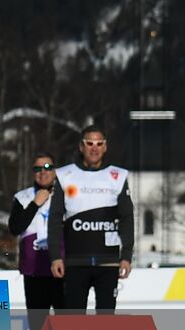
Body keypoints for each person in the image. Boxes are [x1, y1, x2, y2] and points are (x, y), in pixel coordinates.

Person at [49, 127, 133, 312]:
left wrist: (126, 256)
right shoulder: (65, 175)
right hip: (75, 262)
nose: (94, 148)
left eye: (99, 144)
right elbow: (55, 219)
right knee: (73, 321)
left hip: (108, 262)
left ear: (105, 147)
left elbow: (127, 218)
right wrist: (55, 257)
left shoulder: (117, 176)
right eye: (89, 143)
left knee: (105, 320)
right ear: (81, 146)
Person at [8, 153, 63, 330]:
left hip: (62, 270)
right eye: (37, 169)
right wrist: (35, 204)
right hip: (34, 271)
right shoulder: (22, 197)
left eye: (47, 167)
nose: (42, 172)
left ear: (55, 171)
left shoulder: (67, 194)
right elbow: (15, 228)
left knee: (68, 328)